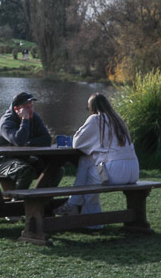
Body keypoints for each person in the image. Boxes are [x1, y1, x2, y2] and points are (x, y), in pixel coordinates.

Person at [55, 93, 139, 222]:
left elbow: (77, 142)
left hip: (116, 172)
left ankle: (82, 213)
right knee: (86, 162)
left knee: (89, 180)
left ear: (92, 107)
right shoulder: (119, 120)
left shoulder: (96, 119)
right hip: (133, 171)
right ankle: (75, 207)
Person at [0, 91, 63, 189]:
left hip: (25, 159)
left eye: (31, 106)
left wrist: (29, 143)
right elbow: (19, 141)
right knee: (25, 170)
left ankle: (40, 201)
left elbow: (47, 139)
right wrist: (25, 120)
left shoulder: (35, 117)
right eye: (27, 107)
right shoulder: (6, 122)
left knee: (56, 169)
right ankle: (18, 202)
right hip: (3, 162)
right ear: (16, 109)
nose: (30, 110)